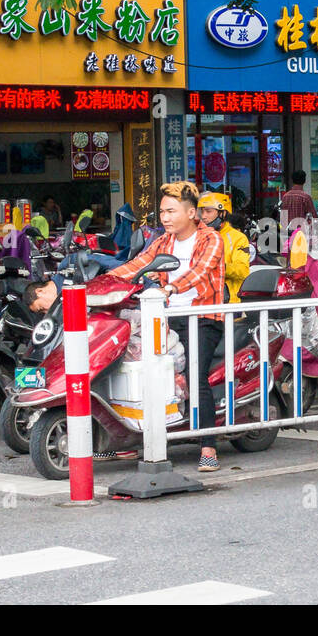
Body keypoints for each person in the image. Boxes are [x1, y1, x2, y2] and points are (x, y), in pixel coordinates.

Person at [110, 182, 226, 472]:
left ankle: (208, 445)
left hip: (203, 317)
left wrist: (171, 288)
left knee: (195, 373)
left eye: (171, 211)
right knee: (143, 368)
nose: (165, 217)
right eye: (162, 211)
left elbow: (200, 271)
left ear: (190, 212)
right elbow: (137, 265)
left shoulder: (210, 239)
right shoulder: (163, 242)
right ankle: (138, 440)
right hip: (168, 317)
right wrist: (105, 280)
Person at [198, 191, 250, 303]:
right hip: (201, 300)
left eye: (208, 211)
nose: (204, 216)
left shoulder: (238, 238)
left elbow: (243, 270)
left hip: (228, 301)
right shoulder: (197, 235)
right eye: (202, 212)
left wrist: (218, 266)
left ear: (223, 213)